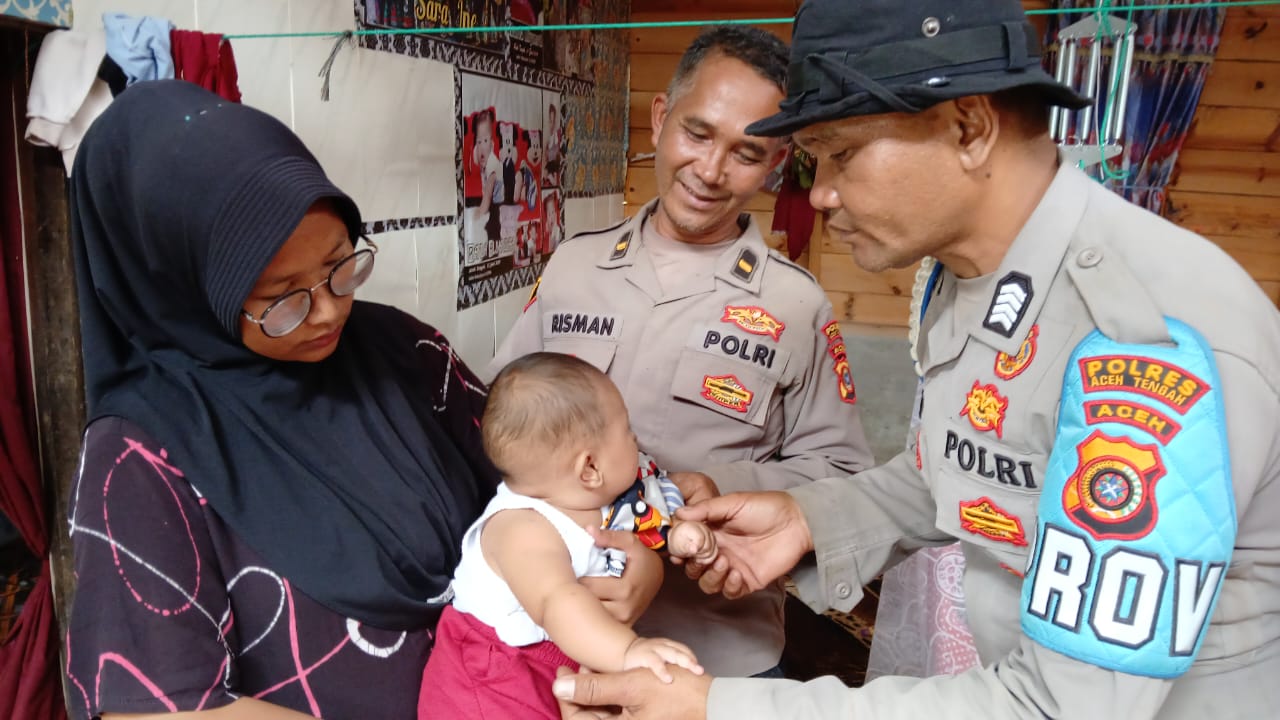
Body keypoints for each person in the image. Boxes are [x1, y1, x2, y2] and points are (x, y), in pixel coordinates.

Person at [553, 0, 1280, 717]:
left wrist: (716, 707)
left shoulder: (1141, 339)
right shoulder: (968, 278)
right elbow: (964, 471)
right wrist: (810, 520)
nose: (821, 194)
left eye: (842, 153)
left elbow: (1061, 706)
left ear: (969, 128)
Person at [61, 80, 659, 720]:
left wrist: (640, 568)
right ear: (181, 286)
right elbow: (154, 707)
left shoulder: (404, 351)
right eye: (281, 299)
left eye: (341, 266)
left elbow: (555, 477)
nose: (327, 312)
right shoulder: (140, 452)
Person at [490, 25, 874, 679]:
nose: (711, 171)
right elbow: (501, 424)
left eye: (746, 153)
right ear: (661, 118)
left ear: (775, 162)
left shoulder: (796, 305)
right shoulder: (573, 268)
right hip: (555, 646)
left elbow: (844, 477)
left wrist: (723, 487)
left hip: (717, 657)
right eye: (697, 134)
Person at [419, 353, 716, 719]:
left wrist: (684, 518)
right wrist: (628, 651)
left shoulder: (591, 496)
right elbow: (556, 602)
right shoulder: (521, 528)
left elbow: (654, 506)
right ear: (589, 468)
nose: (636, 439)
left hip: (563, 649)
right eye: (627, 430)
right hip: (494, 674)